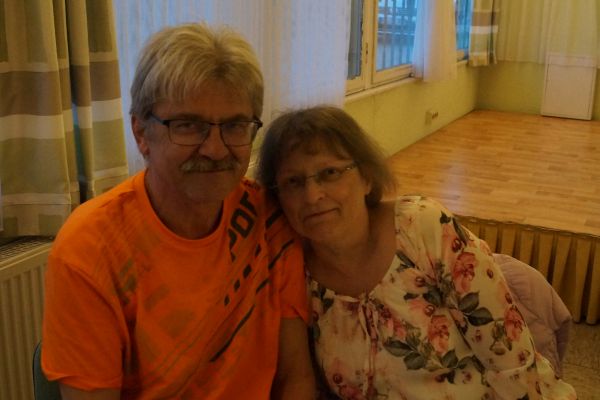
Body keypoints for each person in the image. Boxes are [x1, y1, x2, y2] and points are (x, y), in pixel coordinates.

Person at [42, 23, 315, 399]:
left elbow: (295, 378)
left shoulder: (269, 218)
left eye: (235, 126)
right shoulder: (90, 250)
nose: (215, 150)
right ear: (141, 133)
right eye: (188, 126)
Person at [257, 105, 577, 399]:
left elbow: (512, 365)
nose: (312, 195)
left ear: (366, 177)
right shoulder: (294, 271)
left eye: (329, 173)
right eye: (293, 182)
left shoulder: (422, 228)